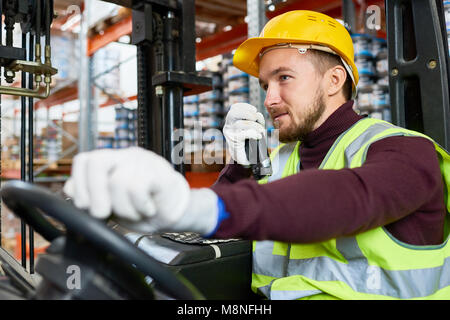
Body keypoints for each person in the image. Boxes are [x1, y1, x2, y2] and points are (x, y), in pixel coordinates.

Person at [64, 10, 450, 300]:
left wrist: (191, 203)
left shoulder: (404, 151)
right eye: (265, 84)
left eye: (284, 78)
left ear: (334, 80)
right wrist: (240, 166)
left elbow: (344, 198)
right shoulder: (282, 157)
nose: (269, 99)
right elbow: (236, 224)